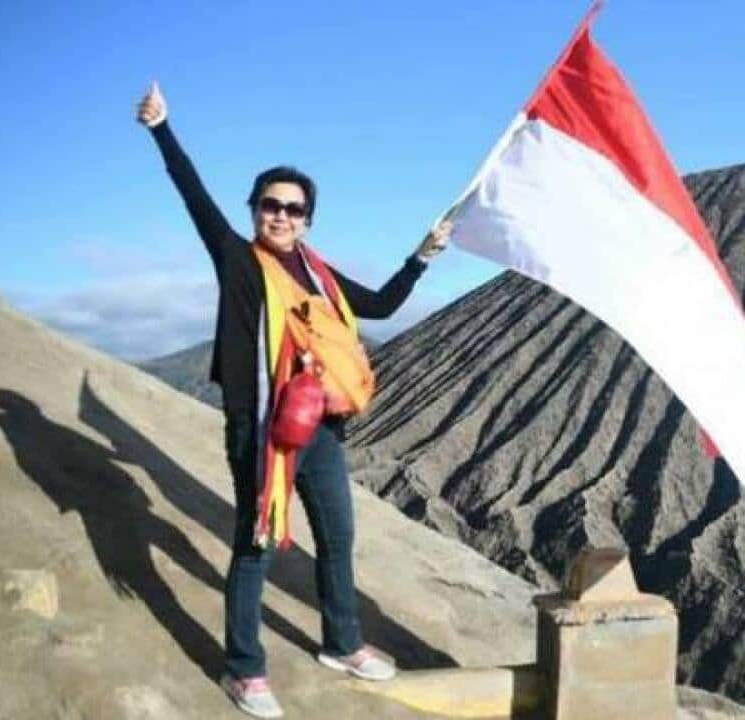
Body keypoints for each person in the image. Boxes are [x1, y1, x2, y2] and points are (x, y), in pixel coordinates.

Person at [136, 81, 449, 719]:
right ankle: (243, 670)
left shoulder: (319, 273)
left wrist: (422, 255)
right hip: (261, 429)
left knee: (337, 537)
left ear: (308, 219)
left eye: (293, 208)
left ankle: (343, 643)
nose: (280, 215)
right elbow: (193, 195)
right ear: (254, 209)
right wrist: (162, 129)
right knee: (256, 545)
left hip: (321, 429)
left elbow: (380, 305)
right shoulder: (239, 260)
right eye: (269, 205)